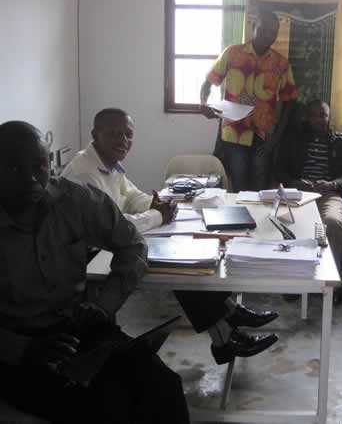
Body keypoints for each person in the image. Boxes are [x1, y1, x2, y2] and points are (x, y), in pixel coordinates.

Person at [0, 120, 190, 423]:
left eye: (40, 166)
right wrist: (22, 348)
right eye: (13, 169)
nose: (32, 179)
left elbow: (132, 244)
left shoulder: (73, 200)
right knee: (104, 406)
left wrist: (104, 305)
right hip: (17, 348)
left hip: (78, 329)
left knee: (163, 385)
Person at [62, 108, 279, 365]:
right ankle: (225, 333)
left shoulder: (107, 162)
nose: (123, 141)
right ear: (95, 135)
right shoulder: (85, 173)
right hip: (91, 255)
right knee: (177, 264)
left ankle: (229, 321)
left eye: (128, 135)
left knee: (187, 254)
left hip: (114, 242)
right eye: (114, 134)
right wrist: (157, 216)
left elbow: (131, 196)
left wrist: (159, 202)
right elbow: (114, 227)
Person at [197, 10, 299, 192]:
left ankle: (256, 222)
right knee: (237, 189)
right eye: (264, 29)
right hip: (234, 135)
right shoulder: (232, 54)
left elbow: (290, 101)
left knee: (260, 192)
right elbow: (208, 83)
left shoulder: (281, 64)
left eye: (274, 31)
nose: (269, 35)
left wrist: (276, 138)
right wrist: (204, 104)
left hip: (264, 138)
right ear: (253, 27)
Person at [276, 99, 342, 273]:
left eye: (323, 115)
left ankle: (330, 276)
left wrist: (332, 184)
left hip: (329, 193)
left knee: (333, 223)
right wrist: (296, 183)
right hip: (299, 193)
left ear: (329, 117)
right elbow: (279, 170)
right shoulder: (294, 140)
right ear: (307, 118)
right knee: (287, 221)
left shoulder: (341, 141)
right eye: (313, 116)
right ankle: (295, 277)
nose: (318, 120)